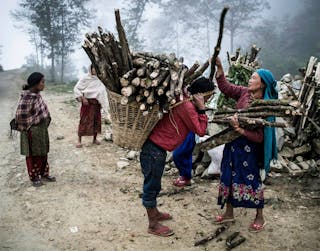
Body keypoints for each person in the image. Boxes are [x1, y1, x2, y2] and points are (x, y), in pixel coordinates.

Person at [140, 76, 215, 237]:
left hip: (155, 149)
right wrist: (202, 109)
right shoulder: (187, 106)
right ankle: (152, 224)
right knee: (151, 186)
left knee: (154, 184)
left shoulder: (185, 101)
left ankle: (155, 213)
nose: (210, 100)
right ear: (200, 95)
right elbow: (200, 130)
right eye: (208, 96)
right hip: (154, 150)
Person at [214, 57, 278, 233]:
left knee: (252, 181)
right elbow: (225, 87)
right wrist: (219, 68)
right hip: (233, 145)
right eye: (250, 77)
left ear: (263, 84)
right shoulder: (243, 93)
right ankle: (229, 213)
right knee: (228, 176)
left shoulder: (267, 107)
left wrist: (239, 129)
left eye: (254, 78)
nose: (250, 80)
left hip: (249, 150)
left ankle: (259, 216)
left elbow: (259, 137)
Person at [15, 72, 56, 187]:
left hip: (41, 129)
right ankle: (34, 177)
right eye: (42, 82)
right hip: (32, 131)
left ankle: (44, 173)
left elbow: (41, 112)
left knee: (43, 152)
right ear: (35, 84)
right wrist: (30, 128)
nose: (44, 84)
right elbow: (20, 116)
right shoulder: (27, 98)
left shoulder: (37, 95)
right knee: (33, 155)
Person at [74, 65, 110, 148]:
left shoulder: (99, 80)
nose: (95, 70)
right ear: (90, 69)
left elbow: (102, 92)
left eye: (96, 68)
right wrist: (83, 98)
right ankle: (79, 140)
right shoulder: (85, 78)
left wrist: (102, 102)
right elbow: (77, 88)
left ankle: (94, 139)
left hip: (96, 103)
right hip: (87, 103)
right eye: (94, 68)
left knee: (96, 120)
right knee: (84, 120)